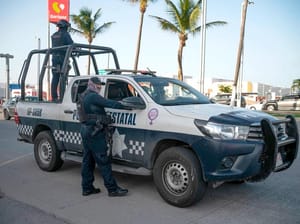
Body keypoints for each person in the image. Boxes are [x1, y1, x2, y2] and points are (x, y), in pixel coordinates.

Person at [77, 77, 129, 197]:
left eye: (100, 86)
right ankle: (112, 189)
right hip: (95, 132)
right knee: (103, 161)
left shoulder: (83, 96)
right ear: (92, 85)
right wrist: (124, 105)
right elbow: (109, 103)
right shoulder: (93, 96)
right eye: (98, 86)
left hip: (86, 131)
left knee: (87, 161)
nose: (100, 88)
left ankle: (87, 188)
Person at [51, 19, 74, 101]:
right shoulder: (65, 35)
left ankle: (54, 97)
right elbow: (71, 44)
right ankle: (62, 97)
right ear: (65, 27)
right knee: (63, 78)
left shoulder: (53, 35)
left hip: (54, 59)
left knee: (55, 78)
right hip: (63, 58)